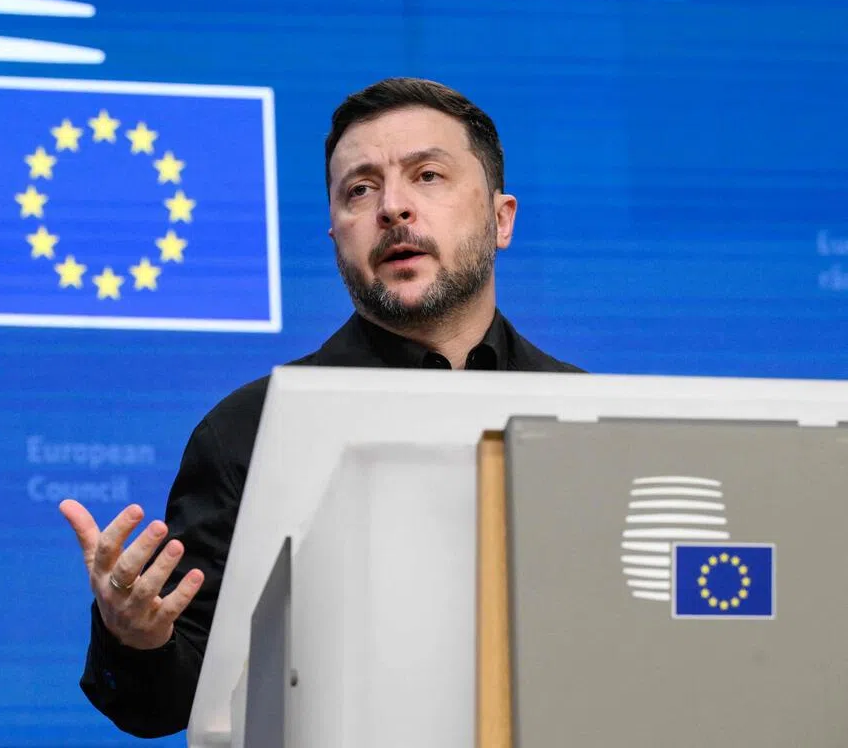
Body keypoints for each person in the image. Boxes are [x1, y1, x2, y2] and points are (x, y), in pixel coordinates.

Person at [59, 76, 582, 738]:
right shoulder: (248, 430)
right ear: (336, 234)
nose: (392, 207)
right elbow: (168, 703)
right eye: (360, 190)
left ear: (501, 218)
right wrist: (131, 634)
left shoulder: (592, 420)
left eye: (427, 176)